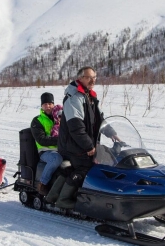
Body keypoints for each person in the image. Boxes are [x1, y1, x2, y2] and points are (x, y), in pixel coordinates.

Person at [46, 67, 117, 209]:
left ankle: (53, 195)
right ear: (80, 78)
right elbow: (76, 127)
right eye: (89, 77)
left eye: (95, 77)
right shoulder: (74, 97)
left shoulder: (89, 95)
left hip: (80, 143)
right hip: (72, 145)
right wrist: (89, 146)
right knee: (86, 167)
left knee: (106, 159)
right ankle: (63, 200)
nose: (93, 80)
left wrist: (111, 133)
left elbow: (99, 118)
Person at [30, 92, 63, 195]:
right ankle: (42, 184)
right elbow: (41, 140)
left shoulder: (59, 116)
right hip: (45, 151)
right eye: (45, 104)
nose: (48, 106)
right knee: (56, 159)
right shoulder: (37, 120)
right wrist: (60, 140)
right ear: (42, 106)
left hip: (62, 149)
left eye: (50, 103)